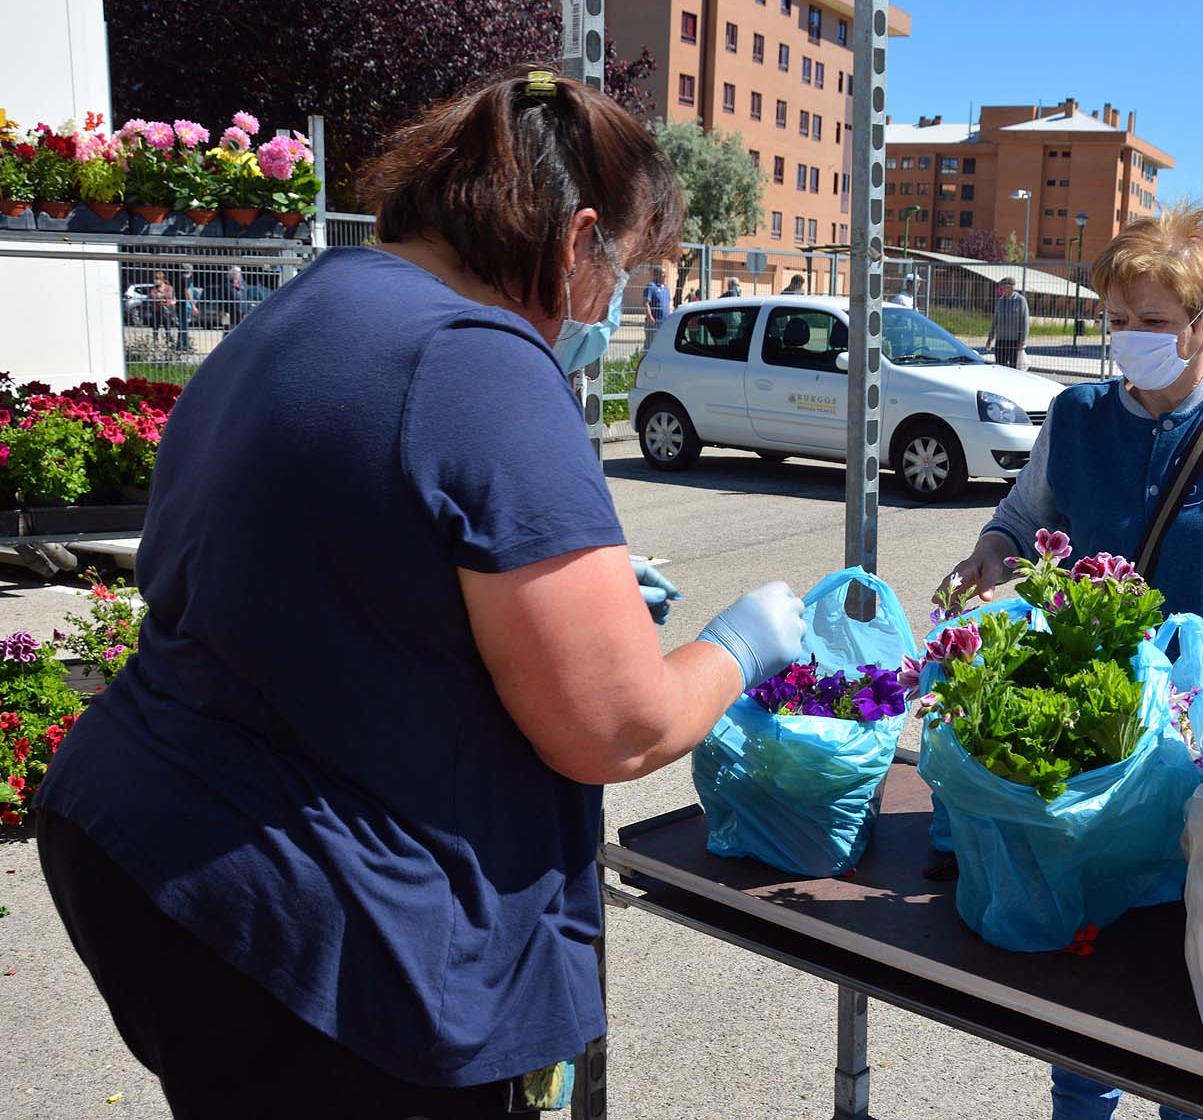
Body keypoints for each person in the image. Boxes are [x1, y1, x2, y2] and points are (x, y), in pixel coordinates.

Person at [33, 67, 806, 1118]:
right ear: (577, 240)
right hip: (308, 923)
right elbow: (617, 727)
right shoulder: (481, 358)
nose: (624, 298)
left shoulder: (310, 303)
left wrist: (525, 589)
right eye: (630, 266)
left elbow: (317, 550)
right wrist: (744, 642)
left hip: (147, 854)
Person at [939, 202, 1203, 1120]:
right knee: (1090, 972)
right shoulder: (1078, 416)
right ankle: (1080, 1097)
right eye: (1118, 321)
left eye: (1154, 323)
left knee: (1182, 971)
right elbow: (1018, 520)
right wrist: (987, 558)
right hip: (1091, 740)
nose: (1129, 340)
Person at [984, 276, 1030, 369]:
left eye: (1003, 287)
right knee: (1000, 366)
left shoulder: (1020, 300)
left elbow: (1024, 322)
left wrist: (1022, 341)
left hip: (1014, 341)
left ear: (1009, 287)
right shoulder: (1000, 301)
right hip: (1001, 340)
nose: (1001, 289)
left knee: (1013, 368)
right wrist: (990, 339)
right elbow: (995, 320)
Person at [642, 263, 671, 340]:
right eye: (663, 273)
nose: (665, 275)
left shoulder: (666, 289)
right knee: (650, 345)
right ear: (656, 275)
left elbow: (668, 305)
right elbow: (646, 303)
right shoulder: (651, 286)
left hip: (665, 323)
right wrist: (650, 317)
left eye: (665, 273)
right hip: (654, 323)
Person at [176, 262, 200, 352]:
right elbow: (187, 292)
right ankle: (184, 345)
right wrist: (193, 305)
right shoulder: (185, 279)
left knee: (183, 325)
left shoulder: (180, 278)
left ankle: (182, 344)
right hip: (185, 305)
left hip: (183, 304)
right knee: (184, 326)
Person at [150, 270, 176, 348]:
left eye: (158, 278)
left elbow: (170, 295)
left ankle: (168, 341)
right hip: (156, 309)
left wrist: (160, 295)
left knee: (167, 326)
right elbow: (153, 296)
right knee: (155, 326)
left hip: (166, 309)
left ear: (162, 279)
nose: (156, 280)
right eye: (156, 278)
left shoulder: (169, 287)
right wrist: (161, 296)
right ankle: (155, 341)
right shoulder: (154, 288)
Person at [224, 265, 249, 333]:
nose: (235, 274)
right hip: (229, 310)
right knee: (229, 329)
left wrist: (246, 310)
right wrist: (222, 309)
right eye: (234, 273)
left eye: (237, 273)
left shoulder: (243, 284)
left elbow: (245, 297)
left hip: (241, 310)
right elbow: (223, 296)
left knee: (241, 329)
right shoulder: (226, 283)